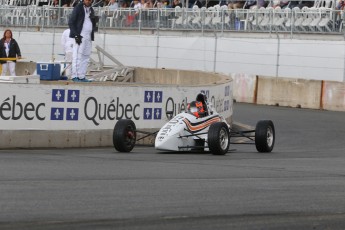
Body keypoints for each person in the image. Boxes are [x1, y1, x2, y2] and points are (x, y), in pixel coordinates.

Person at [68, 0, 97, 82]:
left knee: (86, 56)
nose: (89, 1)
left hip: (88, 36)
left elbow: (92, 21)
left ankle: (82, 76)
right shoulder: (78, 8)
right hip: (80, 35)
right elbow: (71, 22)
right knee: (77, 56)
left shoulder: (91, 9)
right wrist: (76, 34)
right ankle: (75, 76)